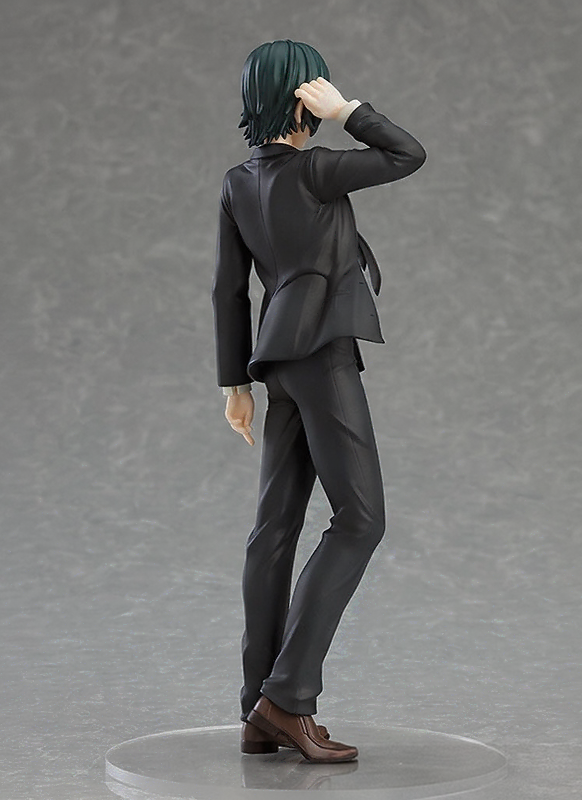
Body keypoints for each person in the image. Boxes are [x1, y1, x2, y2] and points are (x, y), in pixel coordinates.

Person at [212, 39, 425, 763]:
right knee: (361, 520)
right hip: (324, 356)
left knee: (274, 528)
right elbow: (407, 154)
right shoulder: (317, 170)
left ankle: (256, 711)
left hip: (277, 362)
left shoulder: (239, 182)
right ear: (303, 96)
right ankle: (286, 697)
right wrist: (351, 111)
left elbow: (227, 291)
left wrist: (234, 383)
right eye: (318, 87)